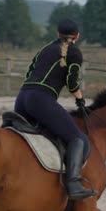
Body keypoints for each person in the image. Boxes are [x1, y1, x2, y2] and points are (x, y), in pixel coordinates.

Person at [14, 18, 97, 200]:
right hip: (41, 99)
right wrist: (80, 100)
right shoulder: (74, 53)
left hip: (22, 98)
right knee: (77, 138)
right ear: (77, 36)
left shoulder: (44, 49)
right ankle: (74, 184)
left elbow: (29, 74)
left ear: (57, 33)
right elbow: (72, 82)